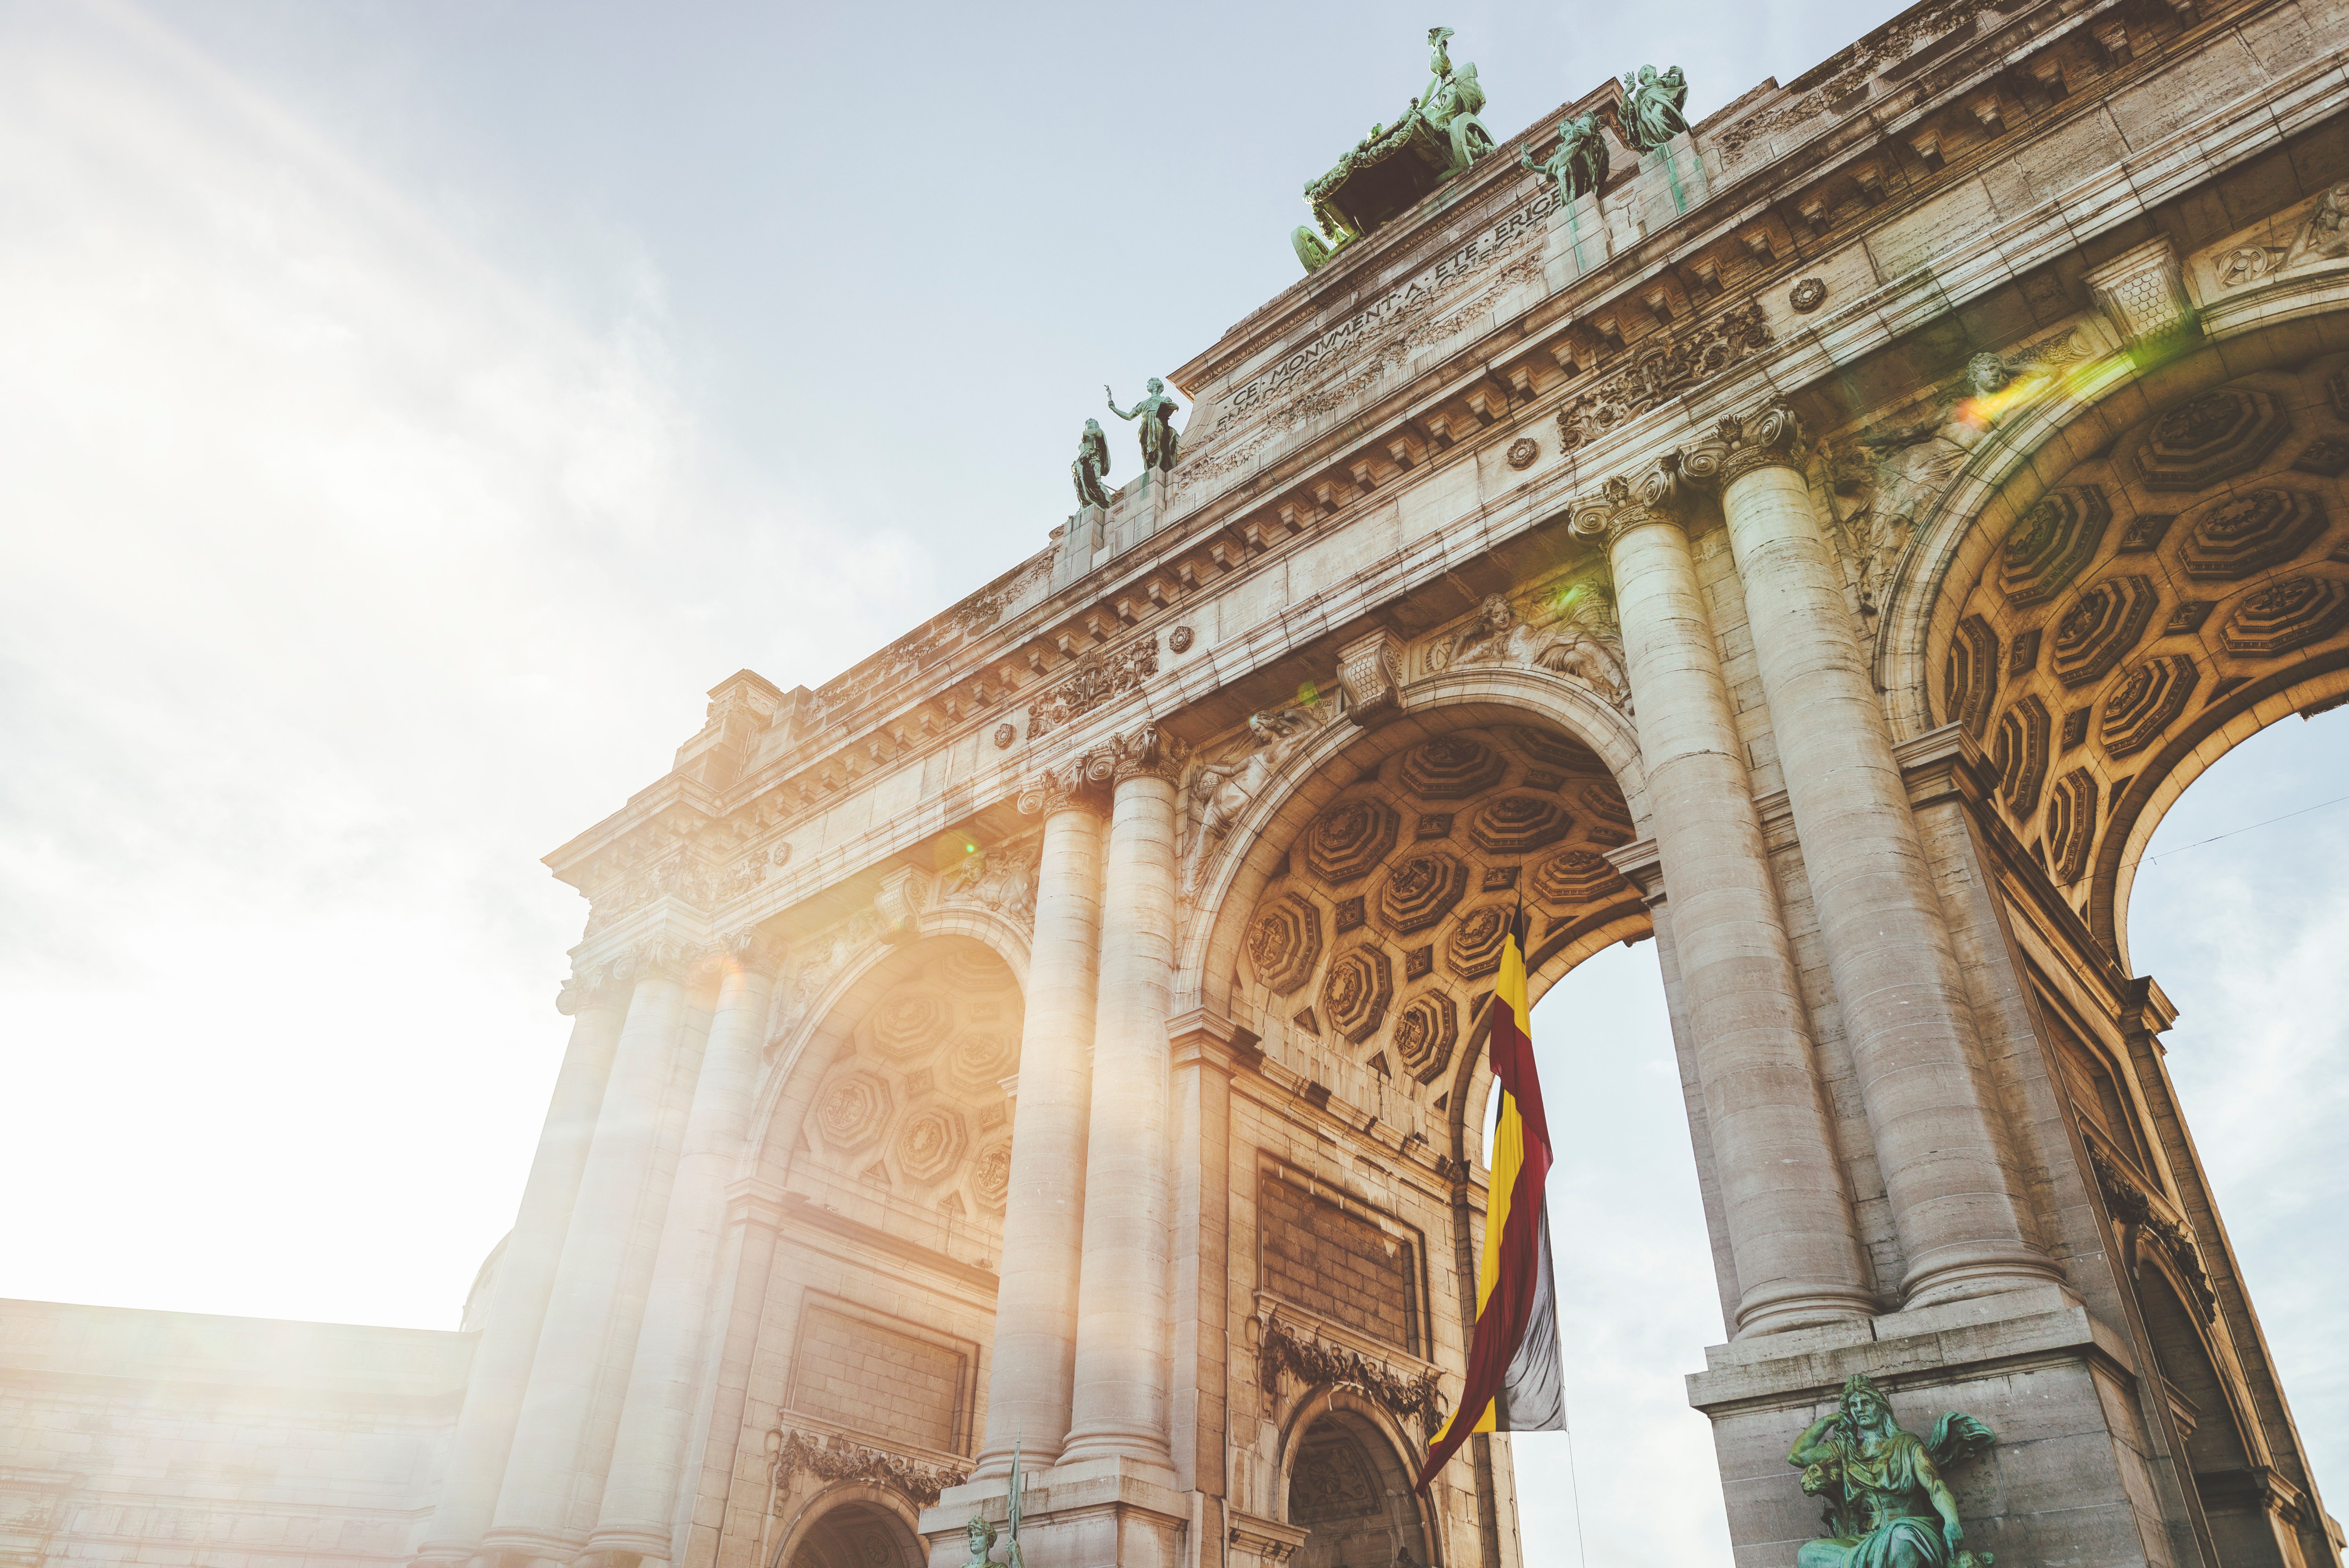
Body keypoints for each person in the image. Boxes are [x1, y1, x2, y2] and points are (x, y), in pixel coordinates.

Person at [1105, 379, 1181, 473]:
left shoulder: (1164, 399)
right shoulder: (1143, 403)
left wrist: (1170, 407)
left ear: (1155, 386)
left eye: (1149, 383)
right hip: (1145, 428)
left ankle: (1159, 469)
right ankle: (1150, 472)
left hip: (1159, 423)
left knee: (1160, 447)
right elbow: (1129, 417)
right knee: (1146, 451)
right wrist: (1114, 409)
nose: (1147, 386)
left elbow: (1175, 407)